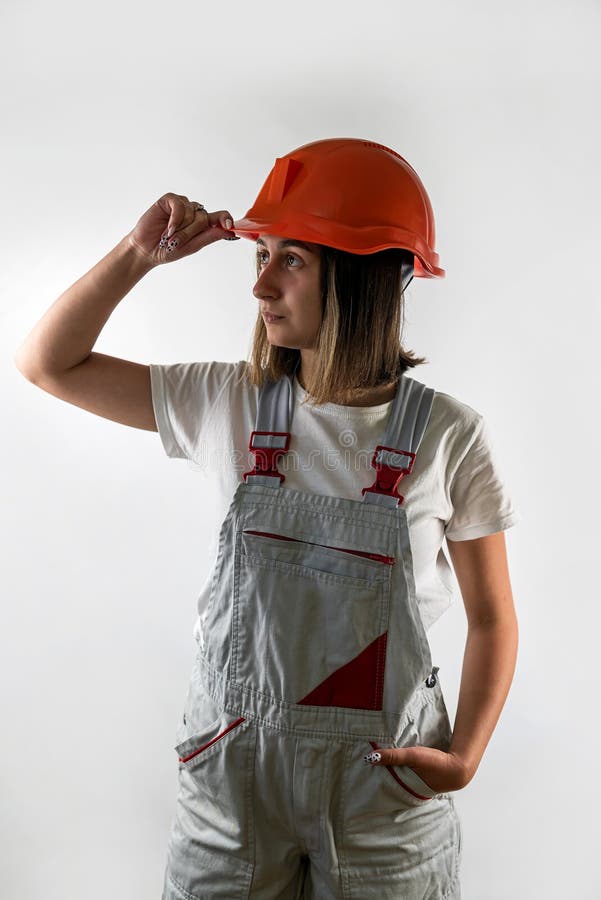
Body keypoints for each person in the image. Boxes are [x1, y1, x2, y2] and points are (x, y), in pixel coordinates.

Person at [15, 137, 520, 899]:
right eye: (260, 257)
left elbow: (491, 617)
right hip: (235, 786)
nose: (260, 287)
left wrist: (465, 756)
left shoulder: (448, 436)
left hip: (380, 792)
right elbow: (48, 363)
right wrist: (137, 253)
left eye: (291, 259)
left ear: (361, 275)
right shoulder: (227, 403)